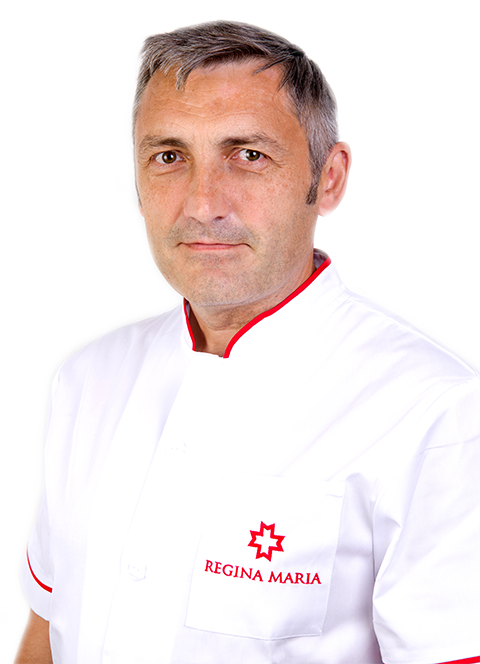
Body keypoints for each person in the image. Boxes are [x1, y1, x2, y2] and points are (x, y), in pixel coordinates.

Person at [15, 19, 480, 664]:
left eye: (248, 155)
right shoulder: (87, 378)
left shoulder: (438, 411)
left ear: (330, 178)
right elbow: (47, 628)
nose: (203, 203)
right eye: (169, 156)